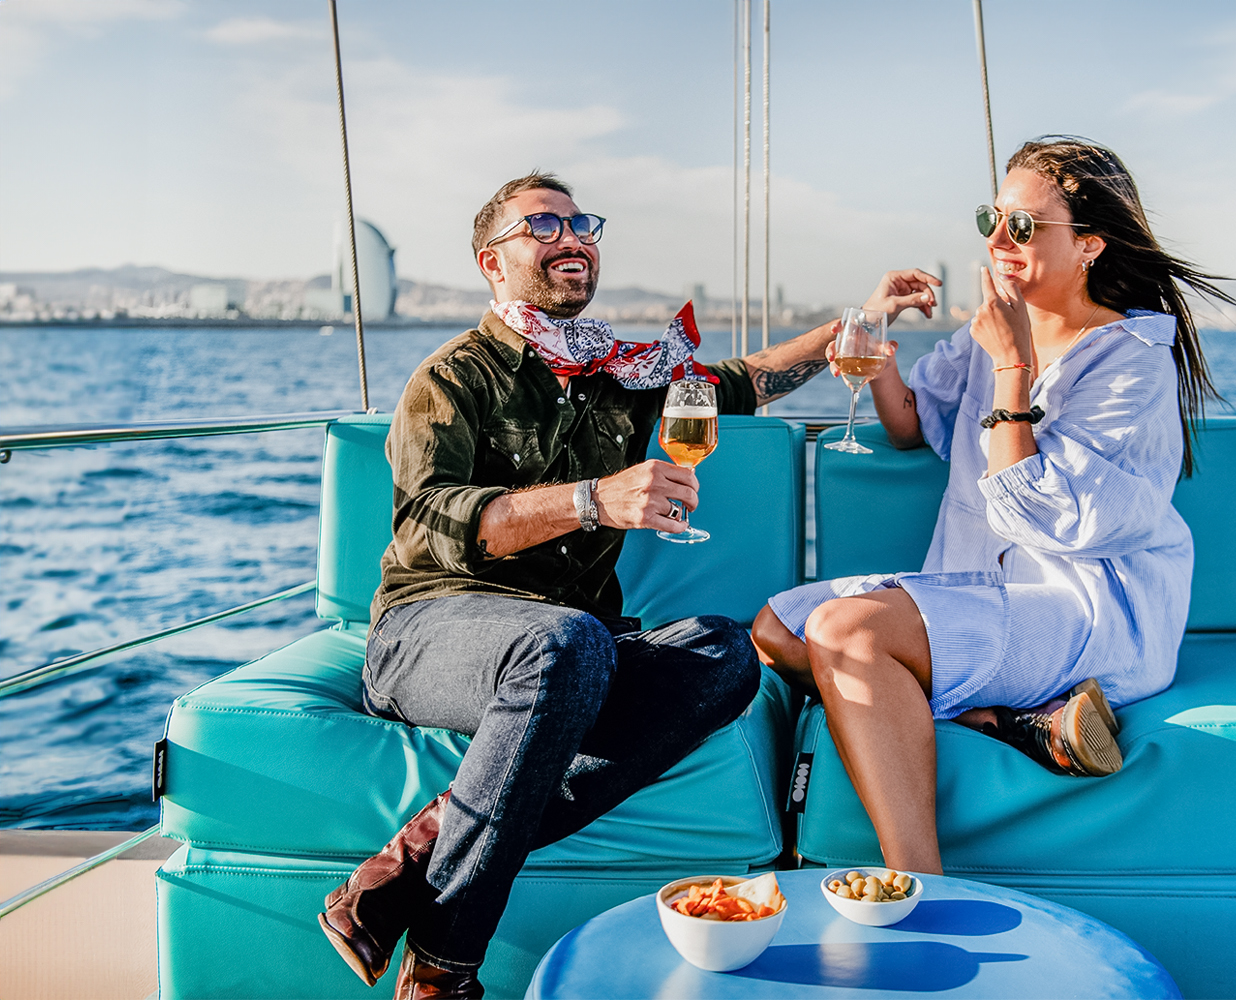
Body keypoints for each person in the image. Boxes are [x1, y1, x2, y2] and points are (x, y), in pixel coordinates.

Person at [316, 169, 939, 1000]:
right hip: (430, 629)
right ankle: (442, 964)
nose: (571, 238)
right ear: (491, 262)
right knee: (568, 639)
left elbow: (746, 380)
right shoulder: (453, 376)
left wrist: (858, 320)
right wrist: (590, 501)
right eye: (541, 226)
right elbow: (432, 516)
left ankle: (423, 845)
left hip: (570, 651)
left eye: (581, 225)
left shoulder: (627, 374)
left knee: (725, 652)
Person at [751, 136, 1233, 878]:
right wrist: (878, 337)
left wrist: (1013, 366)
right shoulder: (990, 332)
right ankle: (1005, 721)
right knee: (777, 629)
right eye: (994, 220)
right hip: (986, 594)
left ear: (1091, 247)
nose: (1001, 242)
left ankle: (920, 884)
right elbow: (913, 424)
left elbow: (1036, 516)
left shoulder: (1130, 359)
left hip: (1084, 608)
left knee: (846, 633)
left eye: (1026, 226)